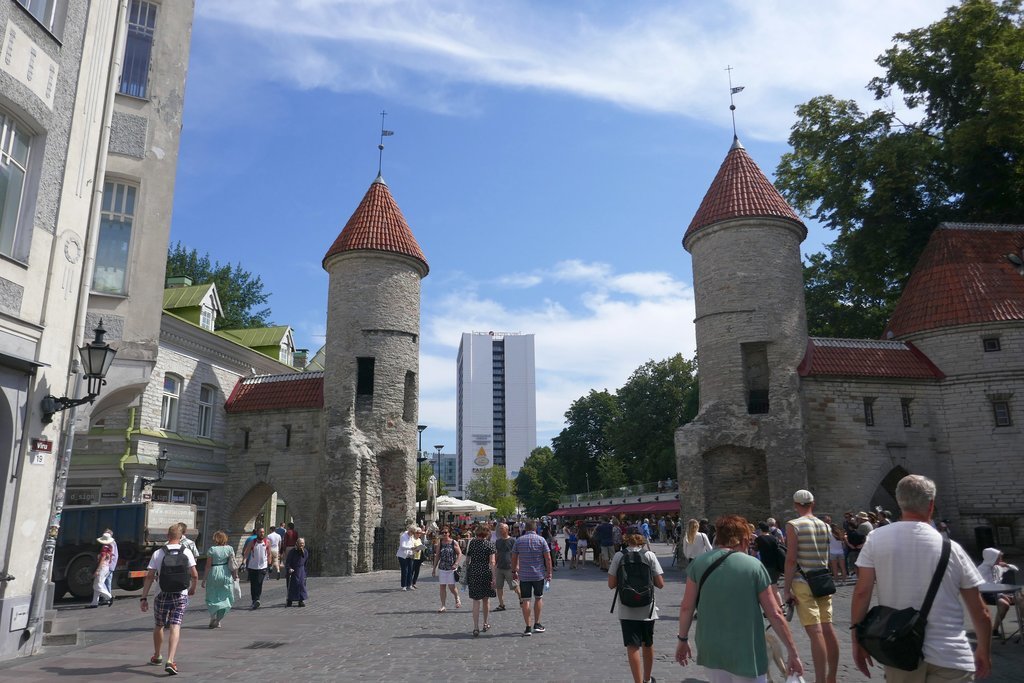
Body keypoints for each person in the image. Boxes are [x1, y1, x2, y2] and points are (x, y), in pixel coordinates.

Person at [851, 474, 991, 681]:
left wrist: (857, 641)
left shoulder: (875, 539)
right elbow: (980, 611)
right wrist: (983, 650)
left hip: (899, 651)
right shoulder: (952, 548)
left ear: (899, 502)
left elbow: (862, 592)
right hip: (951, 655)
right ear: (931, 505)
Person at [676, 515, 804, 681]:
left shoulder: (698, 564)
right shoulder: (753, 566)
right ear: (743, 539)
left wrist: (683, 639)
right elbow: (774, 613)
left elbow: (687, 607)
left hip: (711, 647)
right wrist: (793, 652)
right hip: (746, 648)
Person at [784, 489, 839, 683]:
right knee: (828, 629)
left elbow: (791, 560)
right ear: (812, 504)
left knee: (815, 633)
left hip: (804, 582)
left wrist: (786, 589)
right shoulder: (824, 525)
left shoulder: (793, 525)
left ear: (795, 505)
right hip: (823, 581)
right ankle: (831, 676)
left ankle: (820, 680)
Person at [140, 525, 198, 676]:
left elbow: (150, 576)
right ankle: (170, 660)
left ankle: (157, 655)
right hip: (180, 594)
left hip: (162, 594)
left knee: (159, 625)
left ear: (167, 535)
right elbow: (195, 574)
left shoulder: (158, 553)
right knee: (175, 625)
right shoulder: (187, 551)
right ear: (181, 536)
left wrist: (144, 597)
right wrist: (192, 588)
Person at [609, 532, 666, 683]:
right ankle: (647, 679)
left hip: (626, 608)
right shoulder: (649, 556)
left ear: (626, 541)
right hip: (647, 608)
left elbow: (611, 584)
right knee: (647, 643)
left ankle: (638, 681)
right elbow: (660, 584)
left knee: (632, 645)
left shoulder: (619, 556)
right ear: (642, 541)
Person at [511, 519, 552, 636]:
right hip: (538, 574)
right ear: (535, 528)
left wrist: (514, 570)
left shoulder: (519, 541)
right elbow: (548, 558)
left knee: (526, 600)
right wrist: (549, 573)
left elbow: (514, 557)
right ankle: (537, 624)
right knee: (539, 597)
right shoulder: (541, 540)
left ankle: (528, 627)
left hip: (524, 575)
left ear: (525, 528)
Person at [977, 546, 1019, 636]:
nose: (1000, 559)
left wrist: (1007, 565)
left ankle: (1021, 625)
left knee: (1021, 598)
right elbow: (983, 587)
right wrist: (1000, 595)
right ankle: (994, 629)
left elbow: (1016, 569)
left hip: (1000, 592)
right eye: (998, 557)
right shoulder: (981, 569)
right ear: (992, 557)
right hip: (988, 594)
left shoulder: (997, 567)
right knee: (1004, 604)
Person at [201, 530, 237, 628]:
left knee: (212, 595)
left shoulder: (212, 549)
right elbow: (233, 563)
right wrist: (235, 576)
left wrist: (204, 579)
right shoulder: (230, 549)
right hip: (225, 572)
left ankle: (213, 616)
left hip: (214, 572)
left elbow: (208, 566)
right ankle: (219, 619)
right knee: (226, 595)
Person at [466, 524, 497, 637]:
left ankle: (475, 627)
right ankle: (485, 623)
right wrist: (494, 577)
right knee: (485, 599)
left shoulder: (472, 544)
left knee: (475, 601)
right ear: (487, 533)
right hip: (485, 572)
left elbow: (467, 559)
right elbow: (492, 562)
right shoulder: (489, 545)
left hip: (474, 572)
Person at [431, 526, 462, 611]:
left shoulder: (453, 542)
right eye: (442, 533)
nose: (444, 534)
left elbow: (460, 554)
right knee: (442, 586)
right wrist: (434, 569)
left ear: (449, 533)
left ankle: (457, 597)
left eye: (446, 532)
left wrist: (456, 563)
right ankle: (443, 605)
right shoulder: (440, 543)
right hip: (442, 567)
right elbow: (437, 556)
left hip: (451, 568)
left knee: (451, 586)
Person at [242, 526, 271, 609]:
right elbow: (246, 553)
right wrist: (243, 563)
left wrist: (270, 564)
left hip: (262, 567)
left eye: (263, 532)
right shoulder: (252, 542)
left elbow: (269, 554)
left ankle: (257, 599)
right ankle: (254, 600)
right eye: (260, 532)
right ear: (257, 533)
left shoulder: (267, 542)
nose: (262, 533)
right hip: (252, 566)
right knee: (253, 584)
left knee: (259, 583)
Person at [493, 522, 521, 610]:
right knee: (499, 587)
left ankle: (521, 599)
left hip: (510, 567)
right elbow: (496, 554)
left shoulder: (513, 540)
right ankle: (501, 604)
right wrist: (494, 565)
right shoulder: (498, 541)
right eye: (499, 529)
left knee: (514, 585)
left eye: (502, 528)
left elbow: (517, 554)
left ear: (507, 529)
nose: (500, 530)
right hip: (500, 567)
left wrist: (517, 565)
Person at [89, 534, 116, 607]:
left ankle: (109, 597)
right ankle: (94, 602)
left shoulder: (104, 548)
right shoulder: (110, 548)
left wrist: (97, 570)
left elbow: (102, 559)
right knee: (98, 584)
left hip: (102, 568)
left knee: (96, 585)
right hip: (106, 568)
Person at [286, 537, 308, 607]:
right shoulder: (292, 552)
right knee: (293, 586)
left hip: (301, 571)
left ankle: (301, 600)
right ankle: (290, 599)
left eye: (303, 543)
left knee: (301, 585)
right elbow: (288, 562)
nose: (301, 545)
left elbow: (306, 563)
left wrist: (305, 572)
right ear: (297, 543)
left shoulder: (305, 552)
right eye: (300, 543)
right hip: (293, 571)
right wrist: (289, 568)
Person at [396, 523, 418, 591]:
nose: (413, 534)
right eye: (412, 532)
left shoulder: (411, 537)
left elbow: (411, 545)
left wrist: (414, 550)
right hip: (403, 556)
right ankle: (404, 585)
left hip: (409, 555)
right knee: (405, 570)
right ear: (410, 531)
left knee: (410, 570)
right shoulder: (403, 536)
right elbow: (402, 546)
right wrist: (411, 548)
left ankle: (409, 584)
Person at [103, 528, 118, 602]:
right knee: (108, 581)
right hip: (111, 564)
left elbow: (108, 554)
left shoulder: (109, 542)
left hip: (108, 564)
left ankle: (107, 597)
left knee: (103, 581)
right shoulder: (113, 542)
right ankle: (107, 597)